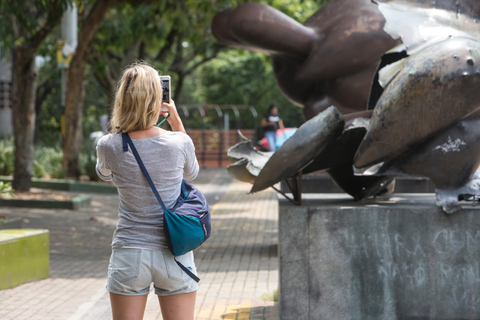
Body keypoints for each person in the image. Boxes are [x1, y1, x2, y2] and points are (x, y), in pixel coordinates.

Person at [95, 62, 200, 320]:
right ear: (158, 98)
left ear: (123, 99)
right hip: (174, 252)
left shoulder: (108, 145)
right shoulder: (179, 142)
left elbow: (104, 174)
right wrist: (176, 122)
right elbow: (192, 173)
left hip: (129, 252)